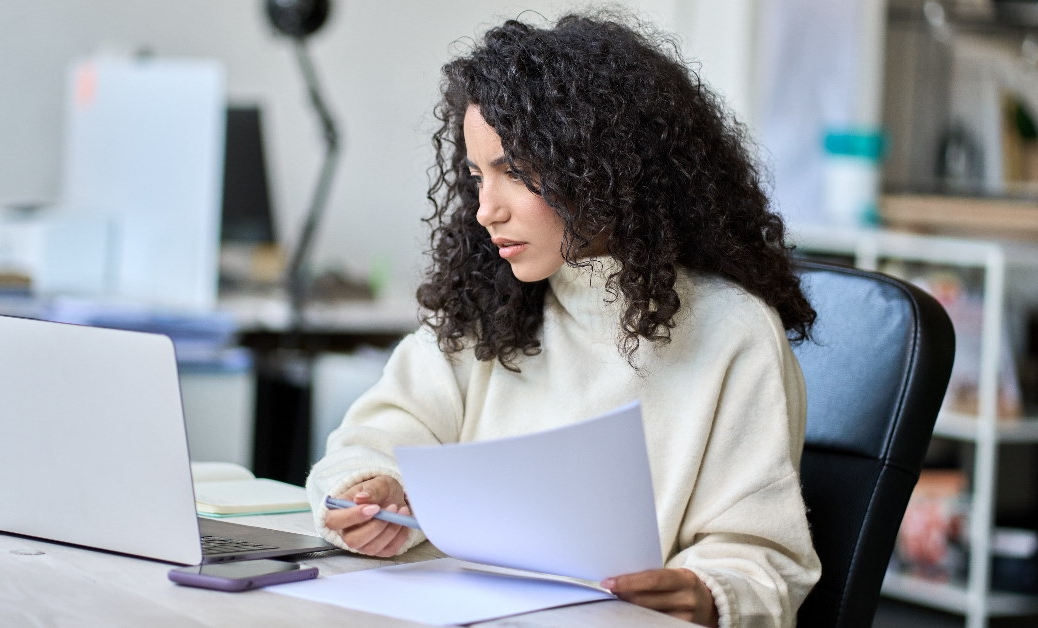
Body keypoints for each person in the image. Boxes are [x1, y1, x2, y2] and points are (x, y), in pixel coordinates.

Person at [305, 11, 821, 628]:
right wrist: (372, 486)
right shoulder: (490, 307)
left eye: (516, 173)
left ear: (606, 167)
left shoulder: (733, 333)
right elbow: (370, 441)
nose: (485, 210)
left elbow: (764, 559)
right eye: (476, 177)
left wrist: (708, 592)